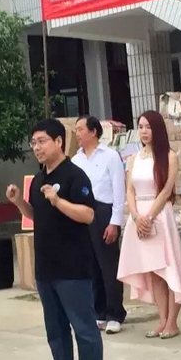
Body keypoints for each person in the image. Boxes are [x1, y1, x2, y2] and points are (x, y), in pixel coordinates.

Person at [6, 118, 104, 360]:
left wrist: (58, 201)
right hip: (46, 269)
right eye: (33, 143)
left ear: (59, 141)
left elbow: (88, 214)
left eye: (42, 141)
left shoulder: (75, 176)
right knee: (56, 332)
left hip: (73, 269)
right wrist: (19, 202)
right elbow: (36, 215)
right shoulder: (39, 179)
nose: (36, 147)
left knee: (84, 331)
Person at [117, 110, 181, 339]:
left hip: (159, 215)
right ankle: (162, 320)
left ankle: (172, 322)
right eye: (140, 126)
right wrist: (135, 216)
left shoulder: (169, 156)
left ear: (157, 129)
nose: (144, 131)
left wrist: (149, 217)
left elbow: (166, 191)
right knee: (153, 272)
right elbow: (129, 190)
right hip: (138, 216)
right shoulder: (133, 158)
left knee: (168, 267)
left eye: (148, 127)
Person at [72, 116, 127, 335]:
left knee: (108, 266)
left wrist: (115, 222)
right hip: (84, 213)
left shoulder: (110, 156)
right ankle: (99, 312)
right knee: (91, 266)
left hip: (105, 212)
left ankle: (115, 313)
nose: (77, 133)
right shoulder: (76, 160)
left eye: (80, 129)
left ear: (93, 131)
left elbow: (119, 192)